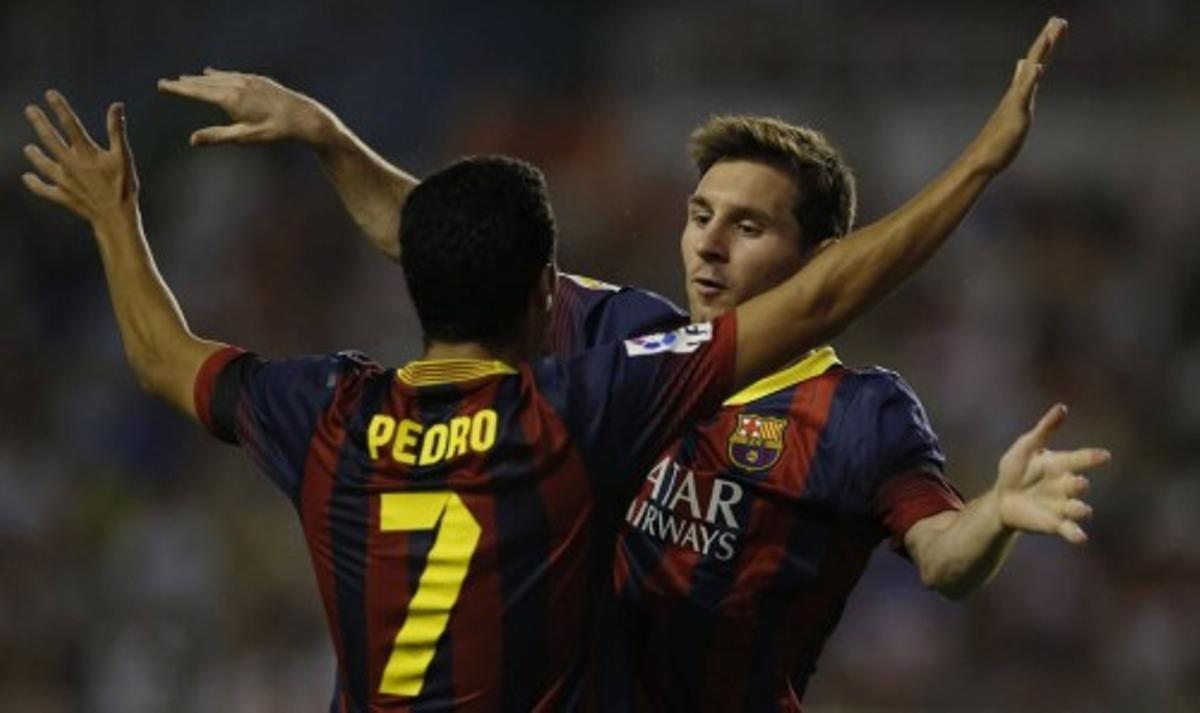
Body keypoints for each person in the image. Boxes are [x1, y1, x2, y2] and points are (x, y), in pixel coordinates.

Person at [18, 37, 1088, 706]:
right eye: (699, 214)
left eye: (749, 225)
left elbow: (942, 558)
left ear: (817, 254)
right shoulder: (621, 351)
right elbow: (456, 250)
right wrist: (335, 141)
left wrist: (994, 514)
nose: (709, 245)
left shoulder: (860, 411)